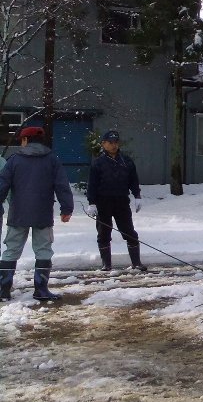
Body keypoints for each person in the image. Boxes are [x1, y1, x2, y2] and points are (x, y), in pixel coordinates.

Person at [0, 126, 74, 301]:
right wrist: (67, 208)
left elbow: (2, 184)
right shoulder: (52, 160)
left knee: (11, 250)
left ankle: (3, 290)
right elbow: (62, 186)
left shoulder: (14, 160)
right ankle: (41, 289)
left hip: (18, 214)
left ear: (25, 140)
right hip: (43, 214)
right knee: (43, 250)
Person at [86, 129, 146, 272]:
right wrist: (92, 202)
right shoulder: (98, 163)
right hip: (103, 202)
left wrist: (137, 195)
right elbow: (92, 184)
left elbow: (133, 180)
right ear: (104, 144)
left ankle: (136, 263)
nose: (114, 145)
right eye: (110, 142)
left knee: (129, 231)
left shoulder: (126, 161)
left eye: (116, 142)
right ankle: (106, 264)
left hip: (121, 202)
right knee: (104, 233)